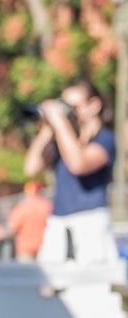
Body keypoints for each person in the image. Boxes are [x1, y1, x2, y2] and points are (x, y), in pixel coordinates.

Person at [24, 80, 117, 265]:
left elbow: (78, 164)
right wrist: (48, 129)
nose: (69, 113)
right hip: (58, 223)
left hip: (90, 223)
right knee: (49, 287)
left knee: (89, 288)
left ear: (94, 105)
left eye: (74, 107)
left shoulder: (105, 139)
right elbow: (31, 168)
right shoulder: (64, 139)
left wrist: (60, 123)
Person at [6, 178, 51, 260]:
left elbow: (12, 227)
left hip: (25, 249)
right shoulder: (48, 206)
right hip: (44, 247)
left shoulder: (22, 207)